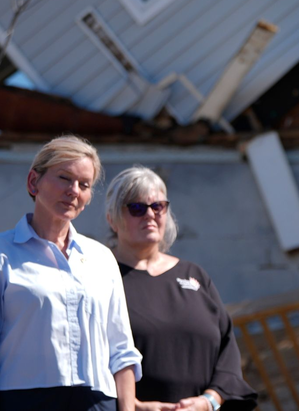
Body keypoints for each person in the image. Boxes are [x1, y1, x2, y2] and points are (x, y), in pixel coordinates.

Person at [0, 135, 142, 410]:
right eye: (64, 178)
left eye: (84, 185)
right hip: (23, 401)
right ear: (33, 182)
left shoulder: (101, 258)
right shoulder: (4, 254)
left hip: (98, 402)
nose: (74, 190)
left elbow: (121, 350)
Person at [105, 166, 257, 411]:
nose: (150, 215)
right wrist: (130, 405)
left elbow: (227, 350)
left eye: (158, 207)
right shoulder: (101, 277)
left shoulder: (194, 276)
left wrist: (209, 401)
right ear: (112, 219)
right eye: (136, 208)